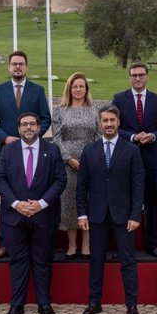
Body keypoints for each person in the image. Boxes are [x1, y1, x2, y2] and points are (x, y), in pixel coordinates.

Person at [0, 113, 67, 314]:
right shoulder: (8, 151)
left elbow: (60, 180)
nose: (28, 127)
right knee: (17, 261)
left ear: (39, 127)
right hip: (14, 217)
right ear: (18, 128)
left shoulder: (52, 150)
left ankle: (44, 303)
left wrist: (41, 204)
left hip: (43, 216)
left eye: (32, 124)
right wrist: (17, 204)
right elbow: (0, 180)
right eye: (24, 124)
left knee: (43, 260)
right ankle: (17, 304)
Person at [77, 105, 144, 314]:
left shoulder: (131, 150)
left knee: (128, 261)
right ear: (99, 123)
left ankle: (132, 305)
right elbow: (82, 185)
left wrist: (135, 215)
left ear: (118, 122)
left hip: (124, 216)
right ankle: (94, 302)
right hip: (96, 215)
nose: (108, 124)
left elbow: (138, 185)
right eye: (105, 121)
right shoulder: (89, 150)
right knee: (96, 260)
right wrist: (81, 213)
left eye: (112, 120)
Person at [0, 50, 51, 260]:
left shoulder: (37, 90)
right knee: (8, 196)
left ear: (27, 67)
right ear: (9, 67)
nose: (17, 67)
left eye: (21, 64)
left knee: (32, 191)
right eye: (14, 64)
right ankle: (5, 241)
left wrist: (31, 137)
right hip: (7, 151)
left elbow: (46, 119)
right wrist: (5, 138)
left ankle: (32, 237)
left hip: (32, 150)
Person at [112, 61, 157, 258]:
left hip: (150, 159)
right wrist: (132, 137)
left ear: (147, 77)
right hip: (125, 158)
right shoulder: (119, 98)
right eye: (134, 75)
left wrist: (153, 136)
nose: (138, 78)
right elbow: (114, 128)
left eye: (141, 75)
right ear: (129, 77)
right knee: (124, 203)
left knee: (150, 204)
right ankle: (123, 247)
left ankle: (151, 245)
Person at [52, 72, 99, 259]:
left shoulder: (94, 109)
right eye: (75, 86)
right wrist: (68, 158)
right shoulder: (60, 110)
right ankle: (72, 244)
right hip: (68, 163)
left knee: (88, 202)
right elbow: (56, 138)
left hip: (91, 162)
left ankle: (86, 244)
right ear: (69, 89)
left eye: (82, 86)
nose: (78, 89)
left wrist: (91, 159)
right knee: (70, 202)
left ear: (86, 89)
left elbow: (99, 135)